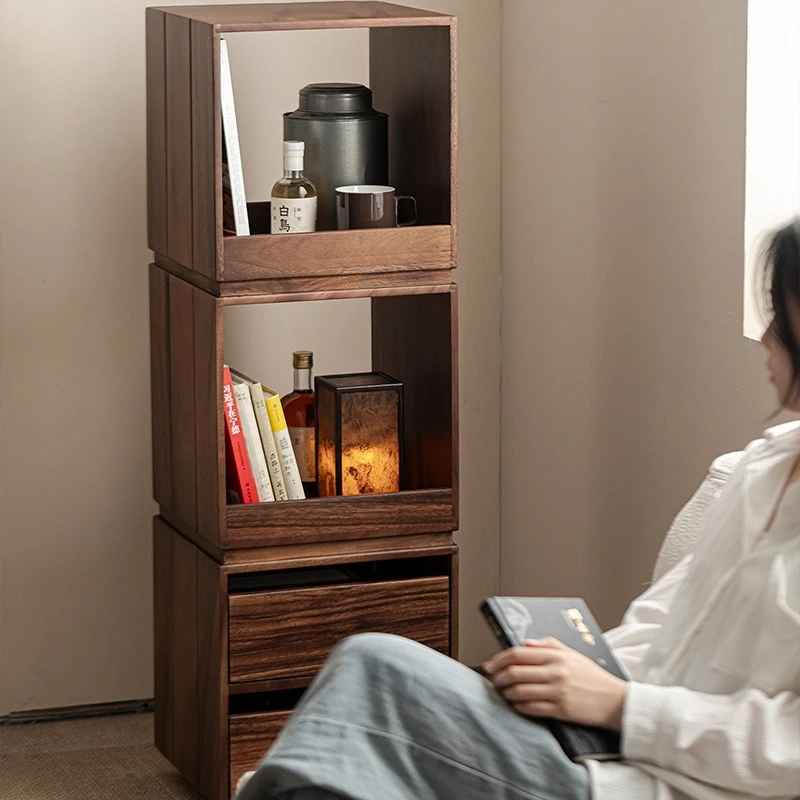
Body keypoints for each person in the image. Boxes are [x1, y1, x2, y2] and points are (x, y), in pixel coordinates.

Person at [237, 219, 800, 800]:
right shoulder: (763, 467)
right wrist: (572, 673)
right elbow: (665, 620)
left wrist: (622, 705)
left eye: (780, 319)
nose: (765, 339)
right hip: (602, 740)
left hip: (661, 781)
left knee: (373, 669)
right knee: (340, 749)